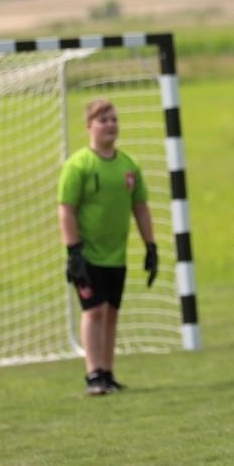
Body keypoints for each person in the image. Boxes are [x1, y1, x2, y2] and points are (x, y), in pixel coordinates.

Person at [58, 98, 159, 395]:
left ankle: (107, 371)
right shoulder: (78, 165)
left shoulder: (129, 165)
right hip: (87, 254)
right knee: (94, 311)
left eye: (114, 119)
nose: (110, 125)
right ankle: (93, 374)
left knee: (111, 312)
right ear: (89, 126)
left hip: (116, 255)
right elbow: (66, 209)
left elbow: (140, 207)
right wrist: (73, 251)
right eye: (103, 120)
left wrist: (150, 246)